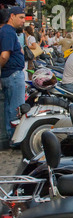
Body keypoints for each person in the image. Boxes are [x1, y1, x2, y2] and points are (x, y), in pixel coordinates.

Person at [0, 6, 26, 141]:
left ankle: (11, 137)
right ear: (12, 16)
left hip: (11, 75)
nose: (23, 21)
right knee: (16, 110)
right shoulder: (8, 31)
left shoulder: (8, 31)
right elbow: (4, 56)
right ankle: (16, 139)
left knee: (10, 108)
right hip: (13, 75)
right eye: (21, 17)